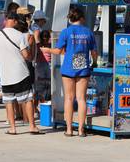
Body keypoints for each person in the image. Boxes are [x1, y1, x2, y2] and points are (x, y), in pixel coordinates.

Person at [41, 7, 97, 137]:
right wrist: (94, 62)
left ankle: (69, 129)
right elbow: (94, 52)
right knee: (81, 99)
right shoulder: (88, 32)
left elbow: (59, 51)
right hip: (83, 67)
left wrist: (47, 50)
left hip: (68, 67)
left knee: (69, 98)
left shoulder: (66, 32)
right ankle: (81, 130)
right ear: (81, 18)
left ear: (70, 19)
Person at [0, 12, 42, 135]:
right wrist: (31, 57)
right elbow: (26, 55)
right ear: (14, 21)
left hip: (6, 75)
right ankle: (32, 126)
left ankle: (13, 128)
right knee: (28, 100)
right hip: (21, 73)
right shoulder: (20, 36)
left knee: (9, 101)